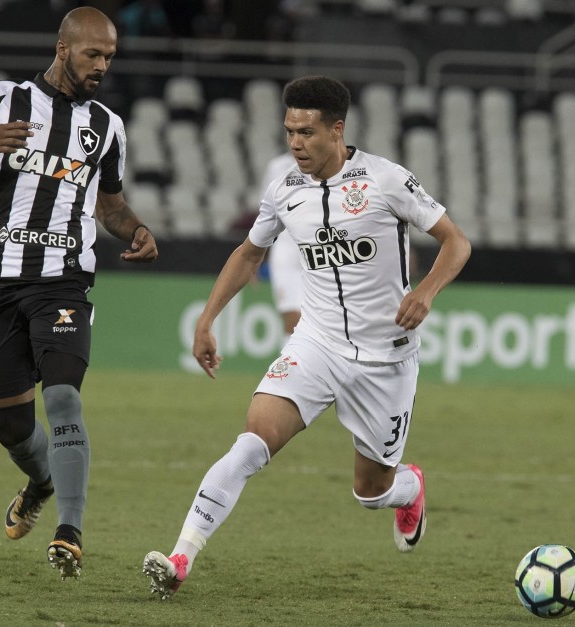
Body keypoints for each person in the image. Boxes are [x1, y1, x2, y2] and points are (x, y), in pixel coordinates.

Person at [142, 75, 471, 600]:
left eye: (307, 132)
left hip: (385, 361)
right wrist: (207, 319)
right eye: (289, 131)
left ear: (337, 130)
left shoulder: (386, 181)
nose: (295, 143)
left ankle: (409, 488)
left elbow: (456, 242)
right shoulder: (284, 191)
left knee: (370, 492)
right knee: (250, 443)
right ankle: (181, 556)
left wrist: (427, 291)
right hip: (314, 345)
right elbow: (248, 254)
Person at [0, 6, 157, 581]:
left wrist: (138, 230)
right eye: (92, 54)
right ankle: (42, 482)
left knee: (65, 397)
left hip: (64, 280)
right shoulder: (0, 98)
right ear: (62, 48)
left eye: (109, 57)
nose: (102, 66)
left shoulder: (108, 126)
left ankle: (69, 531)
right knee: (13, 429)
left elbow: (110, 206)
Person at [262, 151, 304, 334]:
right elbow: (266, 213)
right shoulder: (277, 167)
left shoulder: (328, 165)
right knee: (290, 314)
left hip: (315, 248)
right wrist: (259, 255)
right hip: (284, 247)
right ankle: (291, 359)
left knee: (309, 315)